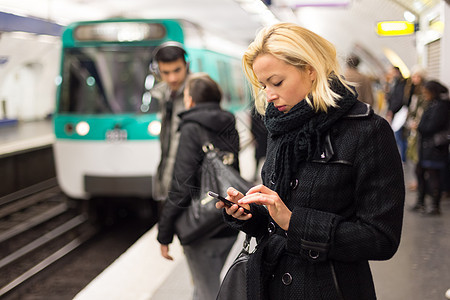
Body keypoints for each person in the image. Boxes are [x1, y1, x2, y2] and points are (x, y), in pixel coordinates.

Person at [216, 23, 405, 300]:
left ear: (310, 70)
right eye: (263, 85)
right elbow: (277, 220)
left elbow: (382, 238)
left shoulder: (368, 131)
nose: (269, 95)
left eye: (277, 82)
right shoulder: (281, 126)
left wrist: (295, 223)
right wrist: (251, 213)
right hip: (269, 285)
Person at [157, 73, 239, 300]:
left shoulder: (191, 127)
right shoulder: (229, 121)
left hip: (200, 227)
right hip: (227, 222)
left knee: (207, 292)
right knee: (206, 286)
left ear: (191, 99)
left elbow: (182, 186)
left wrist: (164, 233)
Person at [150, 42, 190, 201]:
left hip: (189, 183)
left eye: (177, 70)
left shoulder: (197, 91)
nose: (172, 78)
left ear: (186, 65)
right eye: (165, 72)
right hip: (169, 178)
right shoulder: (161, 95)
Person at [412, 80, 450, 215]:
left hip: (434, 147)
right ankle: (421, 202)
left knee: (434, 175)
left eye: (426, 92)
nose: (425, 95)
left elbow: (431, 126)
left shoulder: (440, 106)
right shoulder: (435, 104)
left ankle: (434, 206)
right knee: (420, 172)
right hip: (428, 146)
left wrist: (419, 127)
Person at [403, 66, 428, 191]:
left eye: (417, 76)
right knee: (413, 154)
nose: (414, 79)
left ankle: (420, 182)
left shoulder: (424, 91)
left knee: (417, 154)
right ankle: (417, 181)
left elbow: (422, 109)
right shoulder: (412, 89)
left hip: (419, 126)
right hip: (414, 125)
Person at [386, 66, 408, 162]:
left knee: (398, 135)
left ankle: (402, 158)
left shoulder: (400, 83)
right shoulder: (395, 83)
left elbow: (398, 99)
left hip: (398, 112)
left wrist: (391, 110)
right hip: (397, 111)